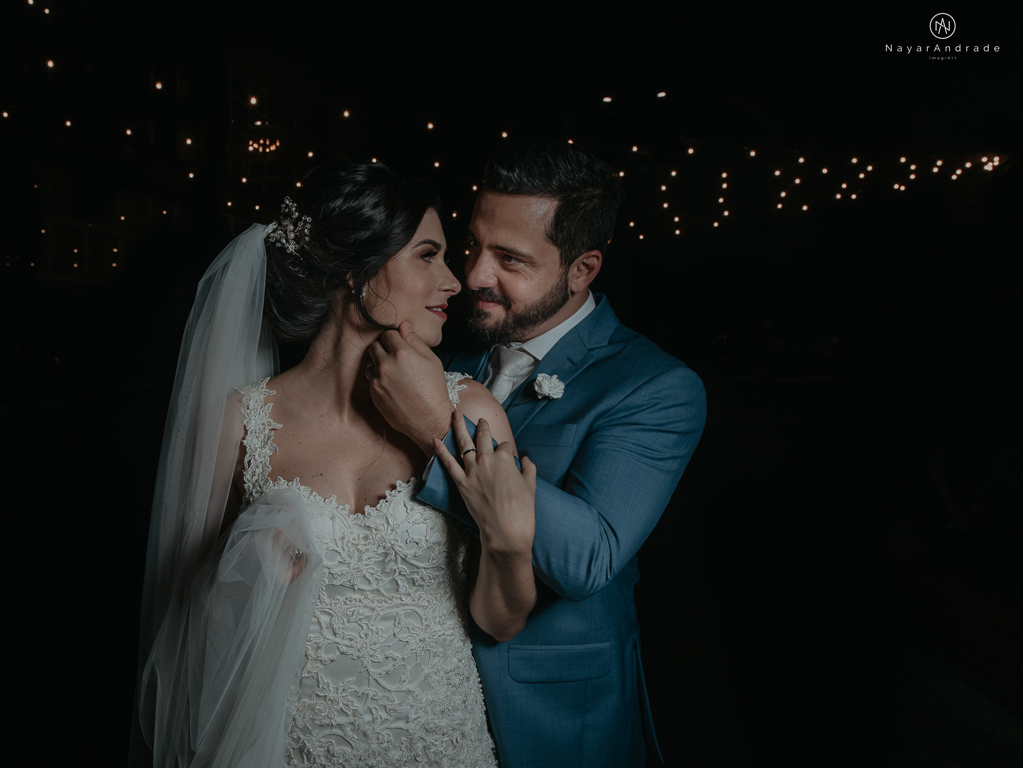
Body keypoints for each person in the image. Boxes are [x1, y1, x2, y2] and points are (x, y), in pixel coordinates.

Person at [131, 160, 538, 768]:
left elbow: (500, 623)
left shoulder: (469, 411)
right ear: (356, 270)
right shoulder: (239, 424)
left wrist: (508, 544)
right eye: (428, 255)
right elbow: (184, 621)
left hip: (437, 735)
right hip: (289, 740)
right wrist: (250, 573)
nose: (454, 281)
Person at [369, 140, 708, 767]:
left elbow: (587, 556)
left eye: (509, 259)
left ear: (582, 269)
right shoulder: (452, 354)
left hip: (553, 710)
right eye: (474, 245)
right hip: (421, 692)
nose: (473, 275)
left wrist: (432, 431)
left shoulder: (655, 386)